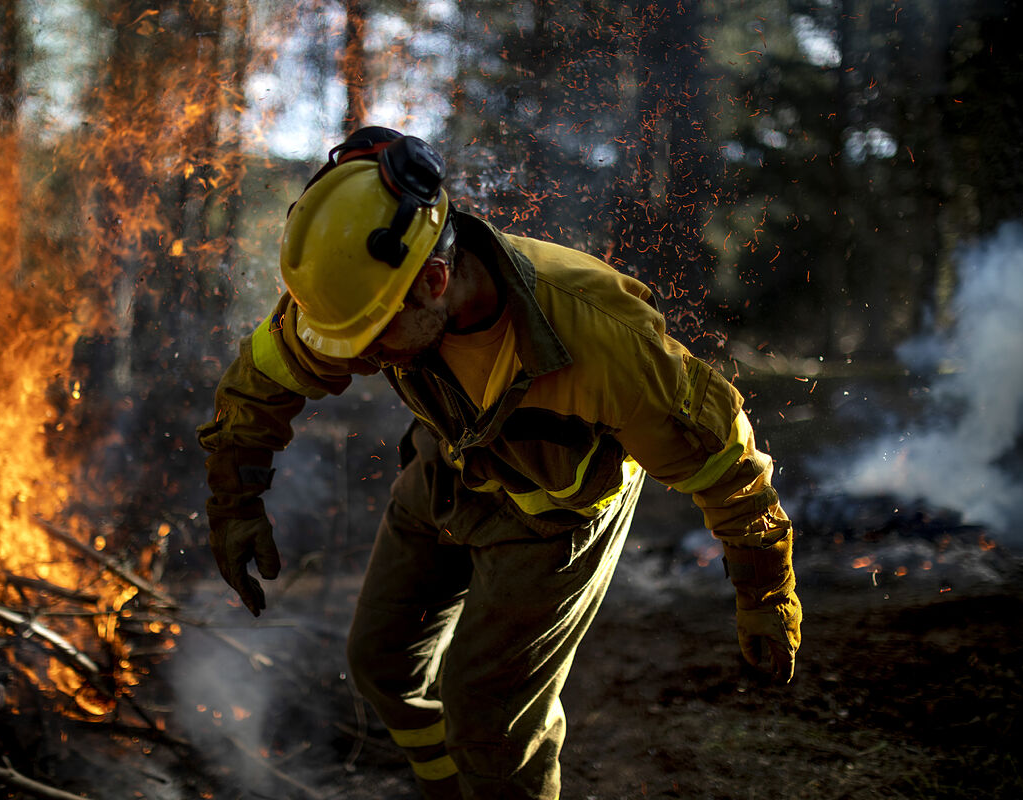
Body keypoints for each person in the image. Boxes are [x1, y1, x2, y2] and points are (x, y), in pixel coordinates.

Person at [197, 127, 801, 800]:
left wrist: (765, 593)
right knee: (382, 663)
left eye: (370, 340)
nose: (357, 360)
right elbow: (263, 378)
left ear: (435, 278)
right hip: (443, 474)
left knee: (489, 715)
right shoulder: (363, 292)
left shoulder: (606, 341)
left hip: (553, 520)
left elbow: (728, 467)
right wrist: (235, 503)